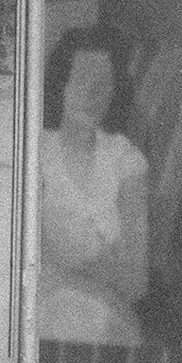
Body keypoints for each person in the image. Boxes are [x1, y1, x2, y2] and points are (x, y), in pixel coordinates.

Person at [38, 25, 149, 344]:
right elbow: (27, 270)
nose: (91, 94)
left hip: (109, 317)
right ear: (60, 83)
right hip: (45, 313)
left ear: (115, 90)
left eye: (103, 83)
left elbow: (136, 282)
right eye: (80, 80)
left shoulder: (126, 159)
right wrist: (102, 272)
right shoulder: (35, 154)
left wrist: (63, 269)